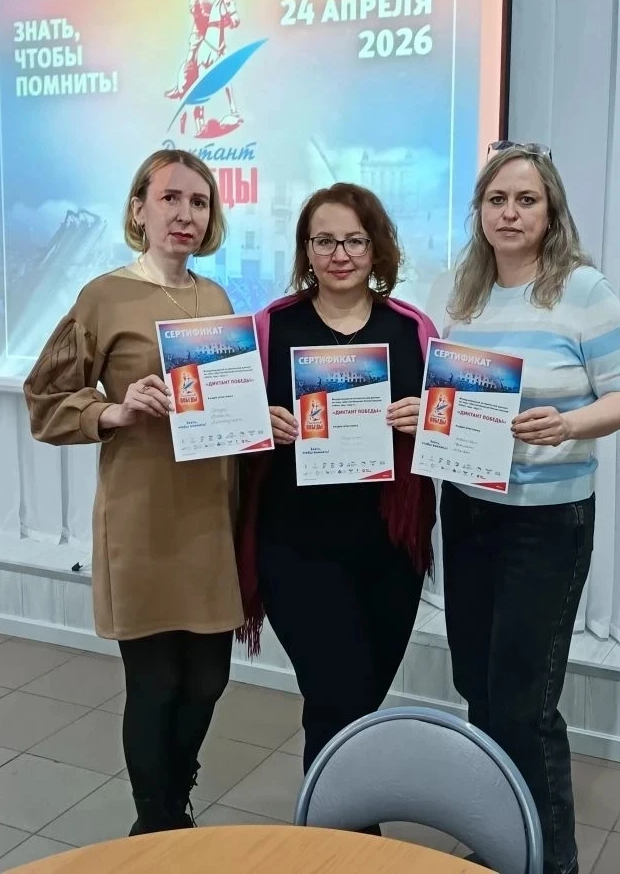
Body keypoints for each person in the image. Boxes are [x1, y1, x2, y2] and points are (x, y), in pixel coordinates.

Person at [23, 149, 243, 836]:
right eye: (170, 197)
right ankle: (157, 822)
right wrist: (112, 410)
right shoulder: (104, 296)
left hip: (209, 516)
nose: (185, 214)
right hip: (141, 516)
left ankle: (175, 794)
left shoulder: (217, 300)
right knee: (155, 684)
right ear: (138, 209)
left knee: (207, 680)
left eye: (199, 202)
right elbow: (45, 399)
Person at [441, 144, 620, 874]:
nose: (510, 213)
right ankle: (503, 838)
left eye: (526, 199)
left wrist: (568, 424)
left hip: (545, 521)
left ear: (550, 210)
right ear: (480, 212)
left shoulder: (583, 291)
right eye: (497, 200)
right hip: (468, 510)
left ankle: (551, 860)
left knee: (525, 701)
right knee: (478, 686)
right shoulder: (466, 294)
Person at [235, 182, 438, 802]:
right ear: (306, 249)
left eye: (354, 240)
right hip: (297, 547)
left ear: (377, 248)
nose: (340, 254)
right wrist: (259, 423)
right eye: (324, 241)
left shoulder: (413, 328)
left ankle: (332, 828)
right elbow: (227, 423)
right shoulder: (270, 326)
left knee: (355, 701)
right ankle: (348, 830)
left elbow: (453, 433)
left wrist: (428, 420)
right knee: (338, 695)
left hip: (391, 551)